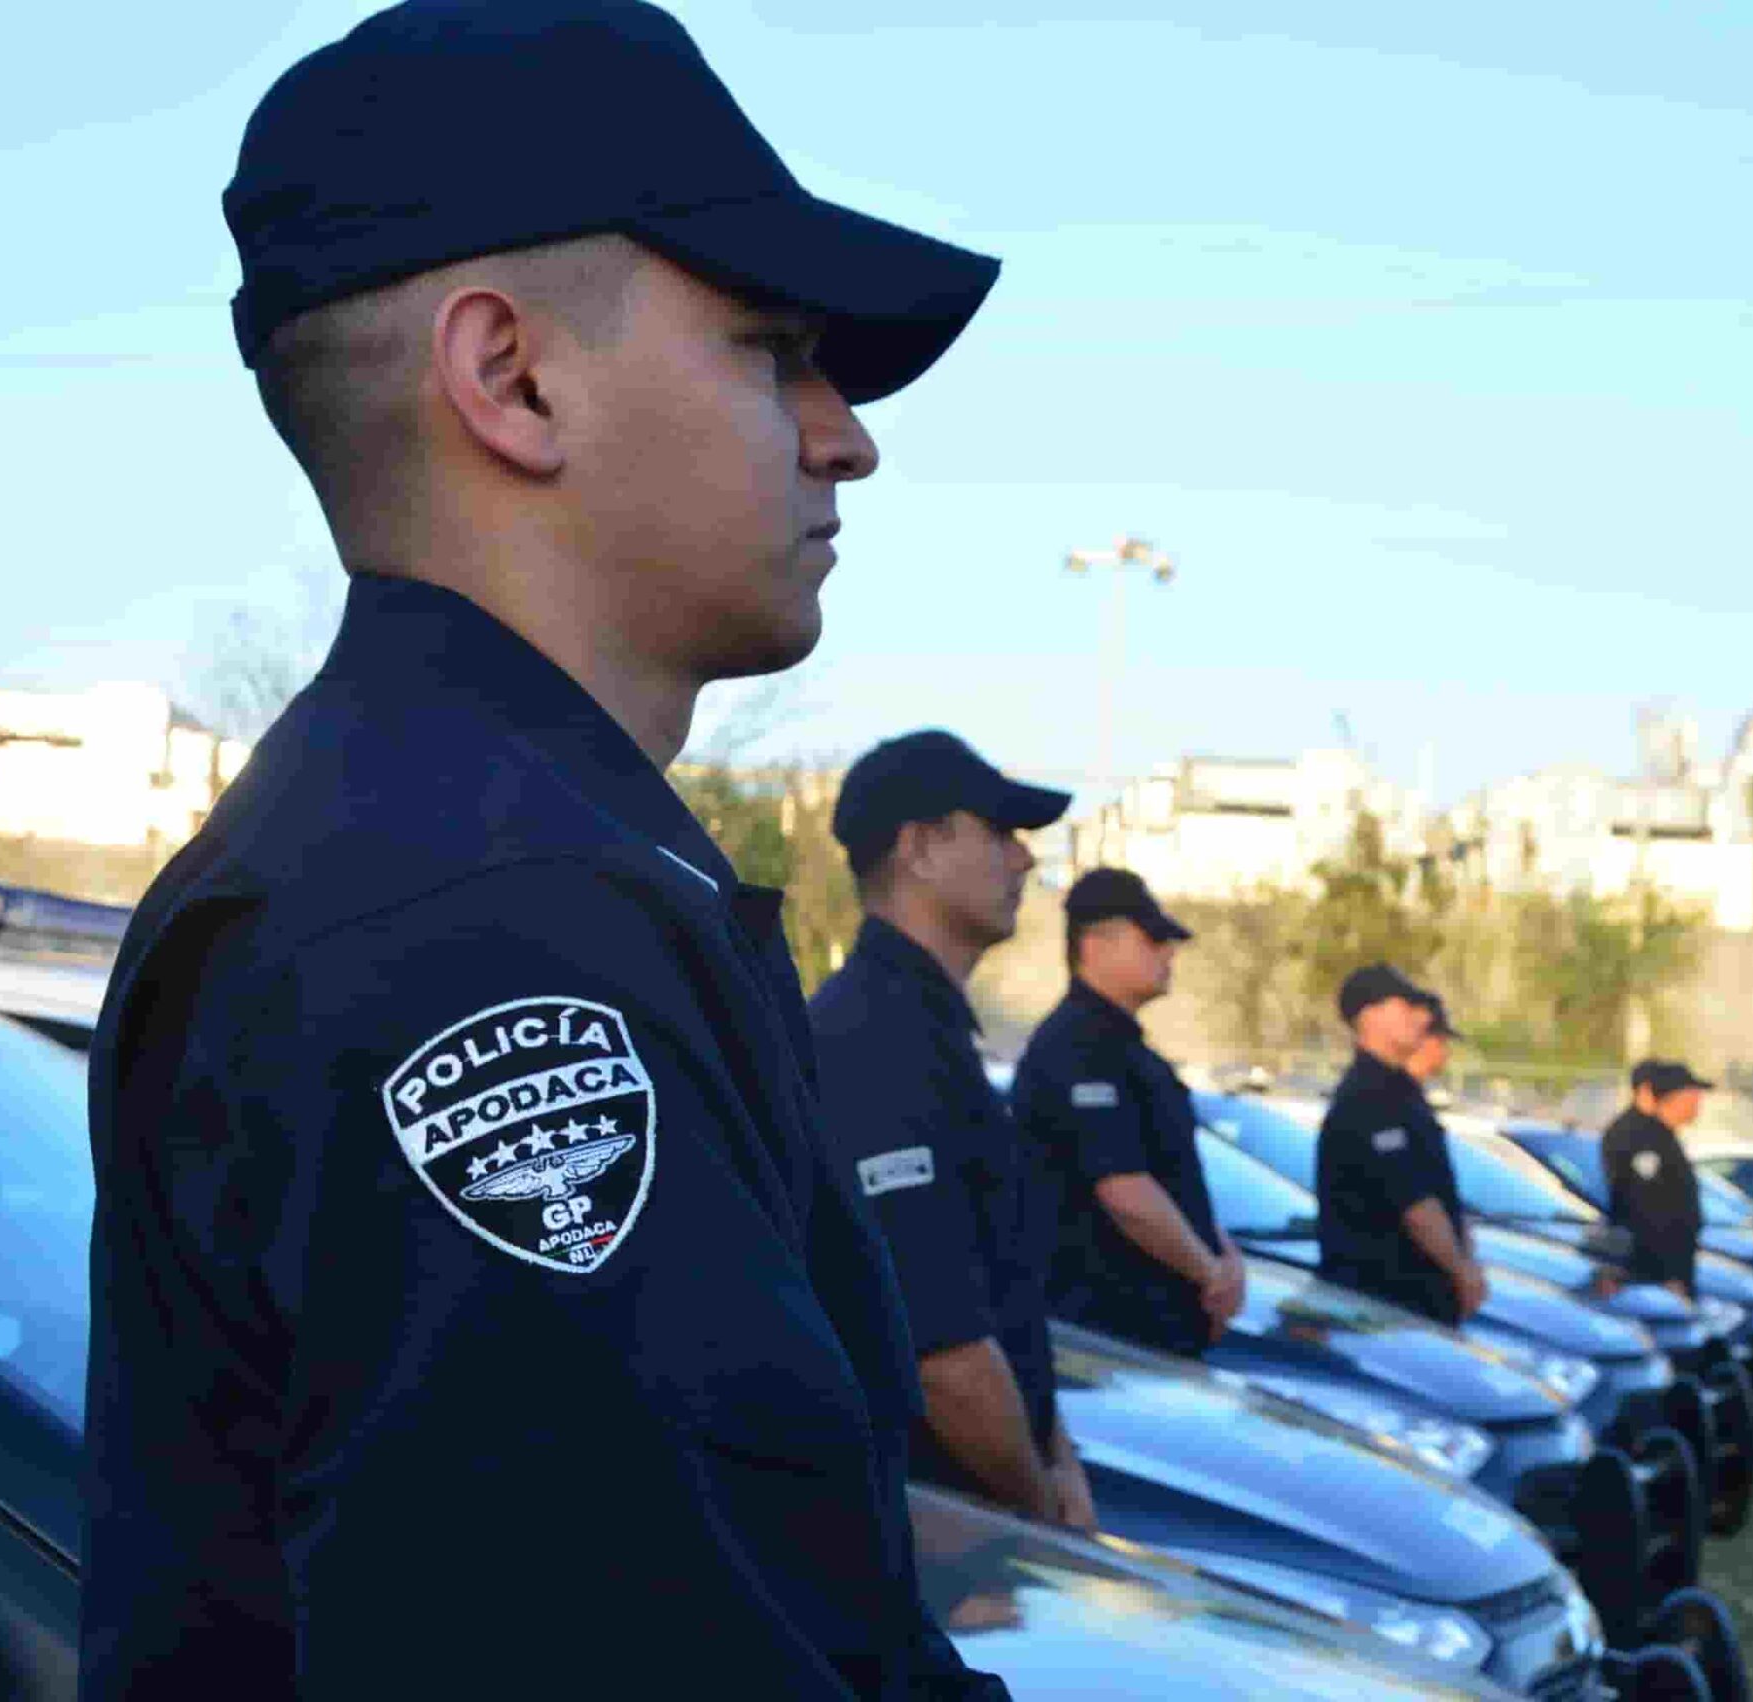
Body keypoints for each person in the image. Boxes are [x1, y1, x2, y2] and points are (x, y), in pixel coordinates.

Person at [80, 6, 1007, 1697]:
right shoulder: (484, 918)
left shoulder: (458, 850)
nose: (843, 432)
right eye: (769, 348)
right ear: (509, 377)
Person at [807, 731, 1097, 1531]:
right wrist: (1042, 1522)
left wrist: (1056, 1450)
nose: (1025, 860)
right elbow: (945, 1359)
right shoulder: (872, 1040)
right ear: (922, 848)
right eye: (1001, 832)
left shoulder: (925, 1034)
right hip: (937, 1546)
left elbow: (998, 1302)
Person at [1010, 869, 1242, 1359]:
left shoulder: (1125, 1049)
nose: (1168, 952)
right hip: (1111, 1339)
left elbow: (1171, 1177)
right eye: (1153, 939)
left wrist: (1223, 1251)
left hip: (1154, 1336)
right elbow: (1125, 1195)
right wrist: (1211, 1273)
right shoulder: (1075, 1047)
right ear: (1094, 945)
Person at [1316, 966, 1488, 1325]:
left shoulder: (1401, 1092)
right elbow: (1415, 1205)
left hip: (1415, 1303)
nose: (1422, 1018)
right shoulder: (1368, 1096)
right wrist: (1462, 1270)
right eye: (1407, 1007)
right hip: (1380, 1308)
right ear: (1370, 1015)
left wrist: (1465, 1260)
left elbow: (1440, 1193)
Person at [1601, 1060, 1711, 1297]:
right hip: (1651, 1270)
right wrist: (1669, 1274)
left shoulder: (1662, 1135)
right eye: (1690, 1100)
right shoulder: (1633, 1135)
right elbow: (1648, 1210)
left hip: (1674, 1266)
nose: (1696, 1107)